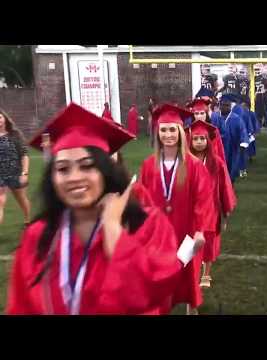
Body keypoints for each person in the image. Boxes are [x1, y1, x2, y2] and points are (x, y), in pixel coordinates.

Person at [7, 103, 204, 315]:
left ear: (105, 169)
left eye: (87, 165)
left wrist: (113, 230)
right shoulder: (37, 237)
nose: (74, 177)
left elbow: (150, 291)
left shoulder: (144, 224)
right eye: (63, 169)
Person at [139, 104, 216, 315]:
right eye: (163, 130)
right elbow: (144, 200)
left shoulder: (193, 166)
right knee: (160, 277)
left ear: (181, 132)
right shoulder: (148, 165)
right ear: (157, 133)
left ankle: (192, 310)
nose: (168, 134)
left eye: (173, 129)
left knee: (189, 275)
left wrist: (200, 230)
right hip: (159, 234)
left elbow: (203, 199)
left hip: (188, 231)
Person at [188, 120, 236, 288]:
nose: (199, 142)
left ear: (208, 140)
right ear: (190, 141)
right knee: (188, 243)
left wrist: (225, 213)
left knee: (208, 244)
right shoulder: (185, 162)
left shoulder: (216, 163)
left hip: (211, 211)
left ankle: (206, 273)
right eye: (195, 139)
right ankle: (189, 273)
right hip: (190, 211)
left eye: (202, 139)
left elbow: (225, 188)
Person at [0, 108, 31, 226]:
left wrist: (25, 173)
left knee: (21, 200)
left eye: (0, 117)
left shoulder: (14, 135)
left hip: (15, 173)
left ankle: (28, 220)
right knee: (0, 201)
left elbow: (24, 155)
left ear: (5, 119)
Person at [211, 93, 249, 183]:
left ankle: (229, 188)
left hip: (232, 148)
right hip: (217, 148)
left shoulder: (237, 119)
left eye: (227, 105)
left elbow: (242, 131)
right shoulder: (214, 117)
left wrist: (243, 142)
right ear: (219, 105)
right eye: (223, 105)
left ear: (231, 106)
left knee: (230, 172)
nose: (224, 107)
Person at [185, 98, 226, 163]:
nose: (199, 116)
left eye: (202, 113)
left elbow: (219, 151)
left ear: (206, 114)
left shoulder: (213, 131)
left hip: (211, 164)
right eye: (196, 113)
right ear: (193, 115)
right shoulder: (188, 131)